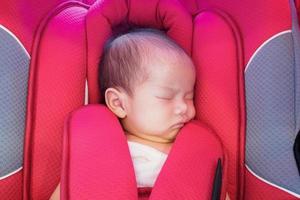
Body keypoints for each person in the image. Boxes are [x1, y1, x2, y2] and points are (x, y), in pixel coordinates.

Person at [50, 29, 196, 199]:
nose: (183, 108)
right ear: (118, 103)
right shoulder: (98, 152)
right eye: (166, 97)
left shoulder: (197, 151)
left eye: (189, 97)